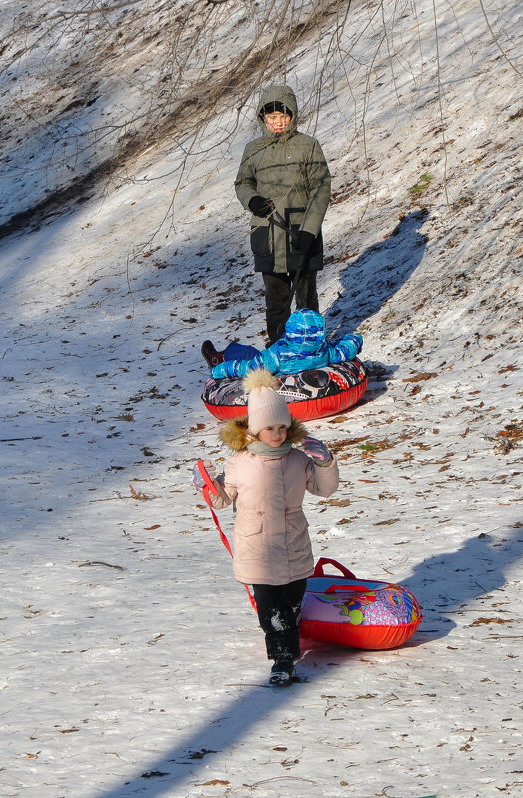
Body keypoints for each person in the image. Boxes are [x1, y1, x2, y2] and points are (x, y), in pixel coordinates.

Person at [193, 369, 339, 686]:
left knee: (293, 602)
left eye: (282, 427)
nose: (277, 434)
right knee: (271, 609)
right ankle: (282, 660)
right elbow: (221, 499)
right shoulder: (239, 463)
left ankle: (290, 638)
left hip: (294, 544)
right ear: (255, 431)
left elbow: (324, 489)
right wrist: (206, 485)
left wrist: (325, 463)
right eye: (269, 428)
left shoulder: (298, 460)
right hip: (257, 549)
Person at [235, 84, 332, 343]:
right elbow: (242, 183)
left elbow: (321, 187)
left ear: (293, 115)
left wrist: (309, 231)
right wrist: (252, 200)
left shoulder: (308, 146)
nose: (278, 122)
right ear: (263, 118)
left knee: (306, 297)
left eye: (283, 116)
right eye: (272, 117)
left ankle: (310, 346)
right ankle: (279, 348)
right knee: (275, 299)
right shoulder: (253, 149)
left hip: (301, 233)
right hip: (267, 234)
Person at [202, 308, 361, 380]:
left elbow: (248, 368)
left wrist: (219, 370)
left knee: (247, 354)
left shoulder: (277, 355)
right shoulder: (326, 352)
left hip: (278, 369)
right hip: (308, 358)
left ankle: (220, 358)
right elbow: (346, 349)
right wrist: (355, 339)